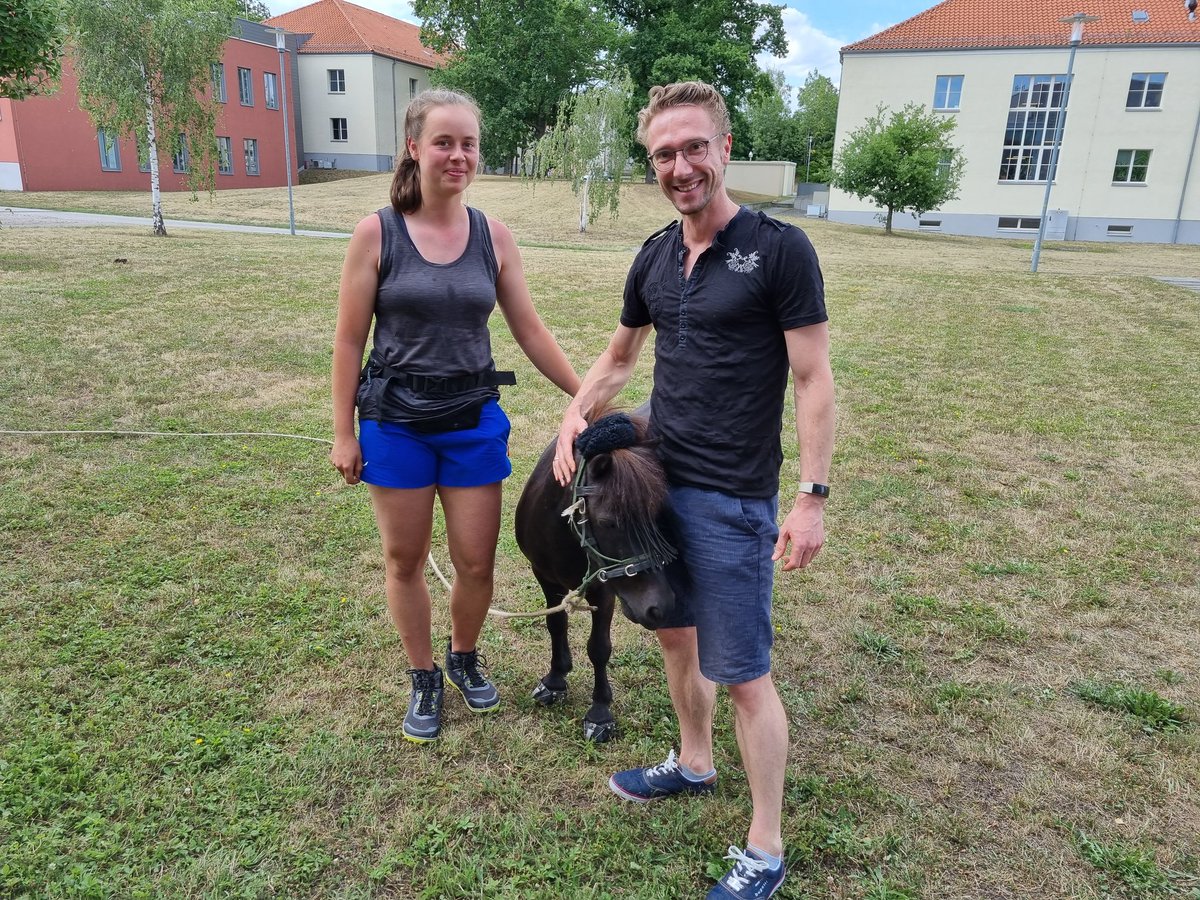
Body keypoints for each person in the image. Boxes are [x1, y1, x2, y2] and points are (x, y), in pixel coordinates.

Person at [553, 81, 834, 899]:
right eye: (664, 155)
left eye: (694, 148)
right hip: (660, 484)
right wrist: (577, 417)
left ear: (725, 147)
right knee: (675, 636)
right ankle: (694, 761)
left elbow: (813, 379)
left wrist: (811, 496)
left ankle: (767, 847)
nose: (681, 167)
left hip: (733, 497)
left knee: (744, 673)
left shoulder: (779, 251)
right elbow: (617, 359)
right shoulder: (654, 255)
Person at [331, 88, 580, 744]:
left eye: (468, 143)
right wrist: (341, 432)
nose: (458, 155)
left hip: (471, 421)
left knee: (476, 563)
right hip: (394, 423)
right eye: (444, 142)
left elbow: (528, 329)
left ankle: (464, 656)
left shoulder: (493, 236)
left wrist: (584, 396)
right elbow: (348, 341)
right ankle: (424, 677)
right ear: (413, 148)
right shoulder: (377, 233)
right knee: (404, 559)